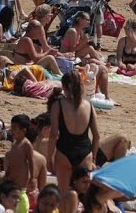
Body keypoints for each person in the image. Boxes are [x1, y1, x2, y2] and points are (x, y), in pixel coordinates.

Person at [48, 69, 97, 213]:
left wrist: (49, 157)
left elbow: (53, 134)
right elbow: (97, 135)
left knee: (63, 195)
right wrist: (93, 157)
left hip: (64, 152)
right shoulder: (89, 105)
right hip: (85, 153)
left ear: (64, 87)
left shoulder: (58, 104)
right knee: (86, 196)